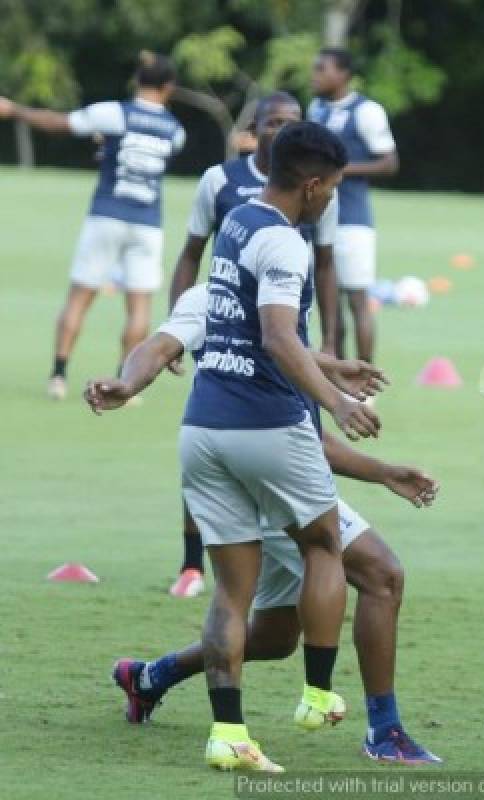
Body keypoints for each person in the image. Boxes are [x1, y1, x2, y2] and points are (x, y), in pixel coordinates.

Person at [85, 282, 441, 765]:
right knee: (381, 574)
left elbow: (305, 433)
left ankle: (150, 677)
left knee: (274, 638)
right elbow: (160, 345)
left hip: (269, 468)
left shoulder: (283, 305)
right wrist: (127, 384)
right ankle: (384, 730)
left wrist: (383, 471)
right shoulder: (225, 298)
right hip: (260, 478)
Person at [182, 121, 376, 771]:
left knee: (231, 595)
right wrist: (337, 399)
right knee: (324, 544)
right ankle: (319, 694)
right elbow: (276, 337)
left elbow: (238, 322)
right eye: (333, 188)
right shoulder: (287, 244)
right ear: (313, 184)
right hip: (265, 423)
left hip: (204, 425)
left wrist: (332, 366)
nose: (330, 201)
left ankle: (228, 736)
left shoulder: (237, 219)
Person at [163, 92, 340, 599]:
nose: (279, 130)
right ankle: (192, 561)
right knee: (218, 436)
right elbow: (191, 253)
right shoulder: (220, 183)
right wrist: (180, 328)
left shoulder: (318, 189)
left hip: (285, 344)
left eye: (290, 122)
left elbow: (326, 265)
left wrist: (328, 346)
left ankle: (274, 551)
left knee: (223, 439)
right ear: (256, 127)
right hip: (232, 335)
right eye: (272, 122)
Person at [0, 52, 185, 401]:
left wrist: (14, 111)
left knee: (79, 297)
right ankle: (124, 382)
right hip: (147, 223)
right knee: (140, 306)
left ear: (137, 82)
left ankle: (58, 375)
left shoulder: (115, 113)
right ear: (168, 87)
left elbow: (60, 123)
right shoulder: (176, 132)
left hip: (106, 214)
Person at [309, 47, 398, 363]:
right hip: (316, 220)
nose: (315, 75)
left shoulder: (367, 110)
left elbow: (389, 163)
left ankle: (364, 380)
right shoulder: (315, 109)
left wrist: (339, 170)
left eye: (322, 68)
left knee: (358, 300)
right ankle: (337, 375)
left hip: (353, 221)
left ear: (343, 74)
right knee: (327, 303)